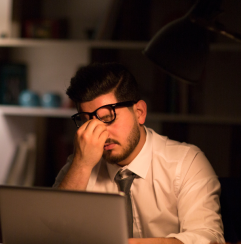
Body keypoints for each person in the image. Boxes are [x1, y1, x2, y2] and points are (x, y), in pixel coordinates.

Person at [53, 63, 225, 244]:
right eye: (88, 124)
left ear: (140, 113)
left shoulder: (187, 162)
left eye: (107, 118)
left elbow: (208, 238)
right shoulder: (81, 163)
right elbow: (50, 233)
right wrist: (81, 165)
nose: (100, 134)